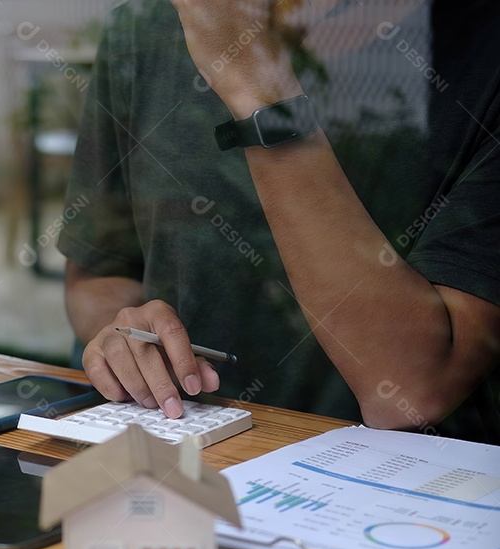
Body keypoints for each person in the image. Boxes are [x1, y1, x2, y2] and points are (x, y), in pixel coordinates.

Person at [58, 0, 500, 444]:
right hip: (188, 460)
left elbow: (411, 390)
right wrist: (121, 338)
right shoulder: (144, 25)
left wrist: (255, 83)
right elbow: (99, 271)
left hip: (401, 492)